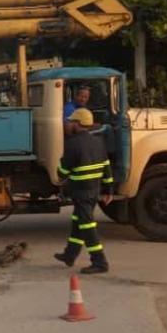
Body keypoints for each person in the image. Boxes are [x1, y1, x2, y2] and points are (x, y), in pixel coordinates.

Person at [54, 108, 114, 274]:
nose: (68, 124)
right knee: (78, 221)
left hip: (81, 191)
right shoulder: (98, 141)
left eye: (71, 122)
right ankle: (69, 255)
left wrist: (59, 170)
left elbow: (63, 172)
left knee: (87, 226)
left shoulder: (72, 144)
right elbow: (106, 167)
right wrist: (109, 190)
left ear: (78, 124)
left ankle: (100, 261)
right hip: (94, 190)